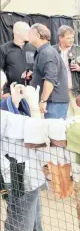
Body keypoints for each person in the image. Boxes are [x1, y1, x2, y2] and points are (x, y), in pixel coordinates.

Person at [0, 70, 44, 231]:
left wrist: (16, 104)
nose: (2, 94)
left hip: (23, 175)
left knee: (33, 221)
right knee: (21, 224)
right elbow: (38, 135)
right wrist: (33, 105)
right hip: (19, 176)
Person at [28, 23, 69, 119]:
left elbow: (50, 79)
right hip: (53, 102)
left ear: (38, 35)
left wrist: (43, 100)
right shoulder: (45, 51)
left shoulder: (47, 53)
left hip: (53, 103)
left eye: (30, 33)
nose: (28, 36)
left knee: (52, 133)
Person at [54, 25, 80, 117]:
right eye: (68, 38)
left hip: (78, 90)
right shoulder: (53, 51)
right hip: (60, 91)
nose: (71, 40)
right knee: (67, 117)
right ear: (60, 38)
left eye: (72, 37)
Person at [0, 21, 35, 96]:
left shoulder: (34, 48)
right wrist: (5, 90)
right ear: (17, 32)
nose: (30, 33)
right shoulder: (4, 49)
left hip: (31, 91)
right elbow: (1, 71)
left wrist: (32, 73)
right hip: (11, 91)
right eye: (27, 31)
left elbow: (39, 68)